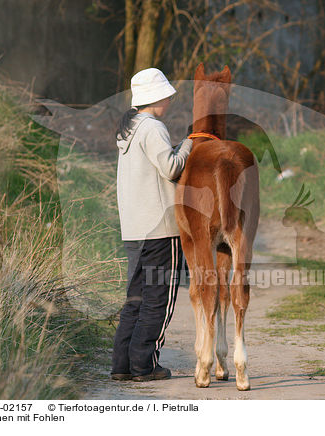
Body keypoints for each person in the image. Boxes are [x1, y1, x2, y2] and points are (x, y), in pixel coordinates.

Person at [111, 68, 193, 382]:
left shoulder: (128, 128)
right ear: (155, 97)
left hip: (134, 229)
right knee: (159, 299)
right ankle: (145, 365)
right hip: (161, 230)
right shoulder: (153, 127)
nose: (170, 99)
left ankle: (122, 365)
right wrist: (188, 144)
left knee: (136, 298)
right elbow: (171, 168)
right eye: (167, 94)